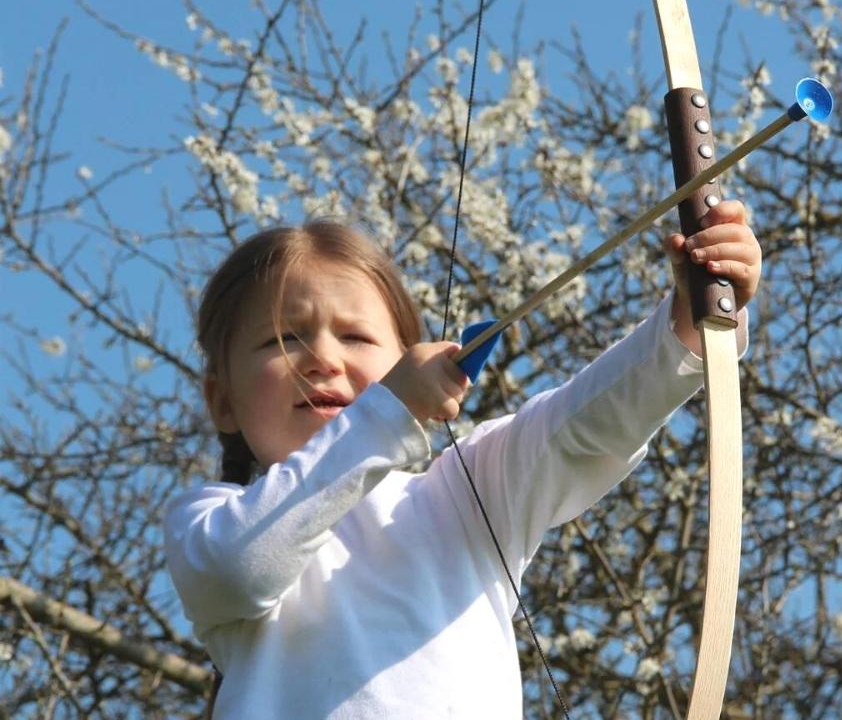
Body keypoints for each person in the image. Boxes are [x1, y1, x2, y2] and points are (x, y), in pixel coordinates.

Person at [164, 202, 760, 718]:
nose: (321, 358)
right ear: (223, 400)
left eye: (355, 338)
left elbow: (584, 427)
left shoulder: (463, 493)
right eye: (281, 340)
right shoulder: (214, 519)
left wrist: (691, 316)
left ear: (407, 358)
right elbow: (241, 568)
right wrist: (387, 411)